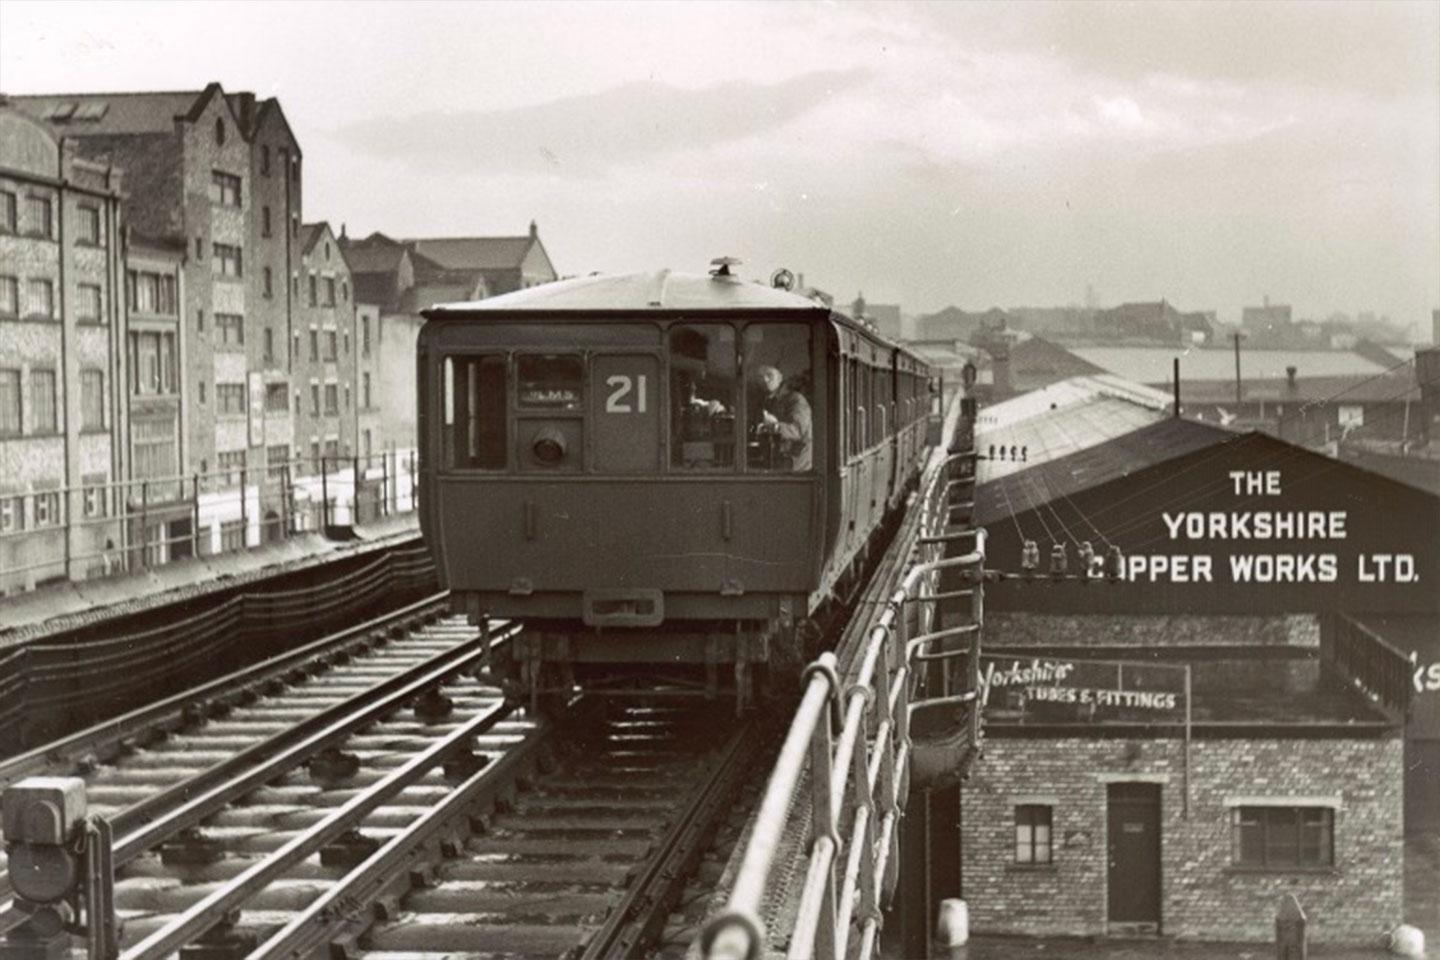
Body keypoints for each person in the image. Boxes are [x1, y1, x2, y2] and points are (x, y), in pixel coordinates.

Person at [754, 364, 812, 471]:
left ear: (780, 377)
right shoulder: (766, 400)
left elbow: (797, 430)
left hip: (797, 467)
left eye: (769, 375)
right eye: (761, 376)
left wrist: (775, 426)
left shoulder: (796, 400)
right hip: (778, 462)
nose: (765, 379)